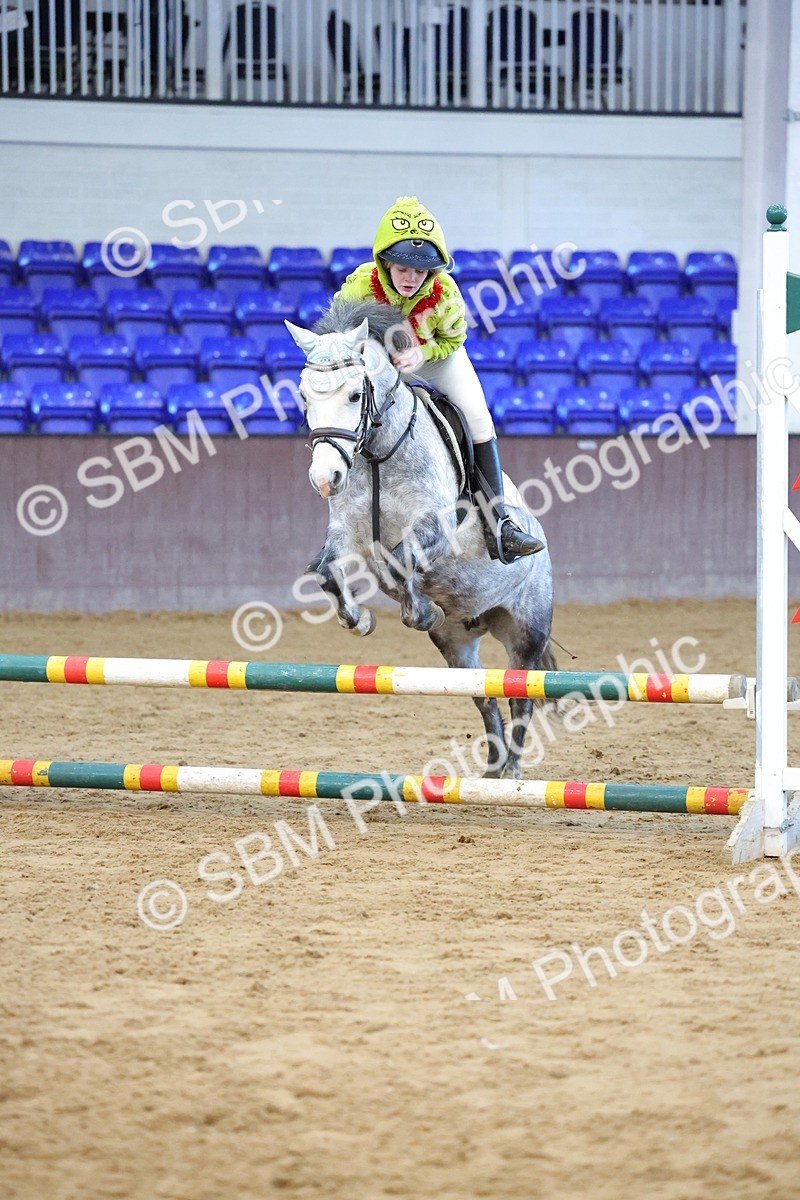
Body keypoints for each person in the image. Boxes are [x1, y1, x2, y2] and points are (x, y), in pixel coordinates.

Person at [335, 196, 544, 562]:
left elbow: (453, 339)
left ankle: (500, 526)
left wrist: (424, 352)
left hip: (435, 357)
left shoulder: (444, 293)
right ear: (385, 262)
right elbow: (340, 335)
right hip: (378, 362)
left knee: (479, 419)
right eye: (402, 268)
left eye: (420, 271)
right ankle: (337, 530)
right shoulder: (360, 286)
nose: (411, 278)